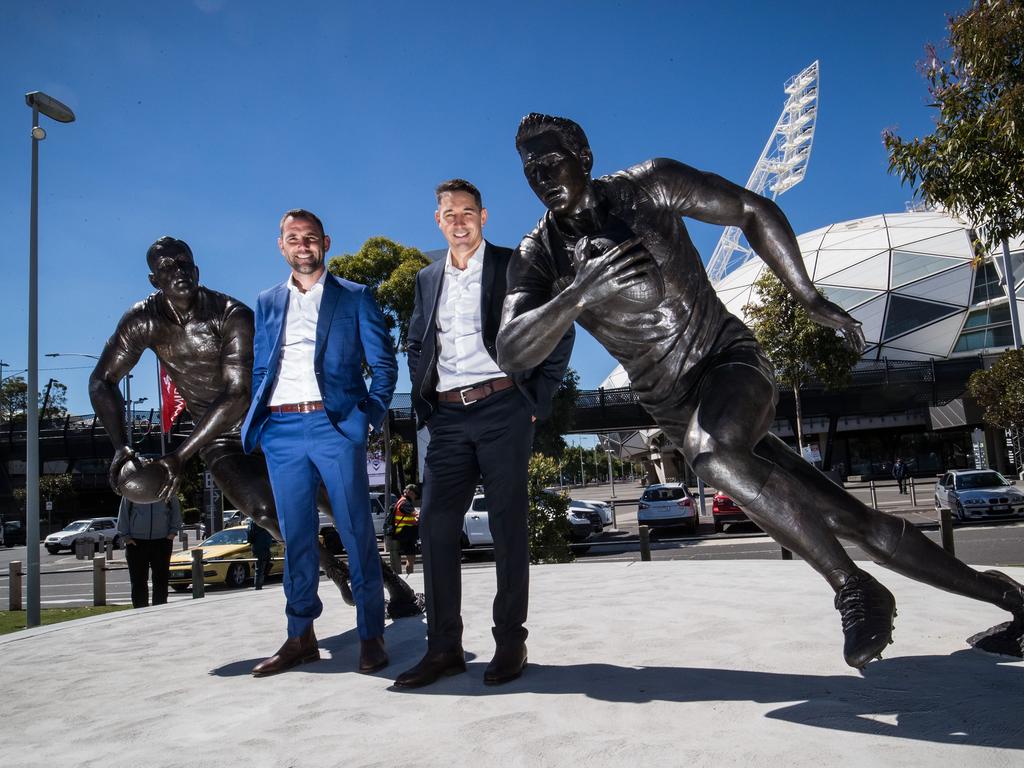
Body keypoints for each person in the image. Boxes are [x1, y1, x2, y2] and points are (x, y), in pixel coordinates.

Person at [497, 113, 1024, 668]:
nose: (541, 177)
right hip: (676, 409)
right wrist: (579, 294)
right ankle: (1011, 601)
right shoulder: (541, 254)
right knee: (855, 523)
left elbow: (751, 209)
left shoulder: (649, 185)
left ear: (582, 153)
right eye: (530, 170)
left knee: (711, 452)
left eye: (551, 160)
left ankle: (853, 587)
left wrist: (806, 294)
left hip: (729, 364)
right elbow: (511, 350)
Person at [89, 236, 421, 621]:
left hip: (272, 421)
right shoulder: (142, 320)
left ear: (196, 269)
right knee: (264, 511)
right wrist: (120, 447)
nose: (178, 272)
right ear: (153, 279)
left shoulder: (231, 314)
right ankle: (336, 571)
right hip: (219, 439)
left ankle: (396, 588)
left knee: (338, 508)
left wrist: (179, 457)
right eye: (167, 267)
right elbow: (101, 381)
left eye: (184, 263)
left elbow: (238, 395)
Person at [394, 179, 573, 689]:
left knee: (507, 529)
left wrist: (534, 399)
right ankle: (444, 648)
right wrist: (425, 400)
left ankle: (509, 643)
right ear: (438, 220)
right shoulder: (428, 279)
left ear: (484, 216)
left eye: (467, 211)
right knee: (435, 527)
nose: (458, 220)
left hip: (503, 407)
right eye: (449, 213)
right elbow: (415, 341)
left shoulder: (513, 265)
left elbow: (559, 326)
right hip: (447, 418)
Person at [242, 209, 398, 677]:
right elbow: (260, 366)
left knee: (355, 531)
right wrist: (263, 417)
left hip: (335, 428)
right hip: (281, 432)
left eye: (310, 238)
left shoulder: (355, 297)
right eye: (294, 239)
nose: (303, 246)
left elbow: (384, 367)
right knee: (297, 538)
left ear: (325, 243)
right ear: (281, 246)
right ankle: (301, 636)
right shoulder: (267, 301)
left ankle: (371, 633)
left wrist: (366, 417)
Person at [116, 494, 182, 608]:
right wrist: (126, 537)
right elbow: (124, 512)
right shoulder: (133, 488)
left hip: (162, 541)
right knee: (138, 582)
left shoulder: (166, 487)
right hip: (136, 542)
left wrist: (172, 533)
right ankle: (140, 614)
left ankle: (160, 612)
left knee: (161, 581)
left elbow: (175, 510)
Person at [391, 484, 420, 575]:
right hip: (405, 535)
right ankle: (409, 574)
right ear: (410, 492)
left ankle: (409, 573)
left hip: (405, 534)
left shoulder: (401, 501)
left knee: (411, 558)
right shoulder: (405, 503)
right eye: (415, 494)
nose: (415, 497)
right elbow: (416, 514)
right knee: (411, 558)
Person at [248, 516, 275, 589]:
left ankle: (258, 584)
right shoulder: (267, 520)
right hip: (264, 545)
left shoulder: (254, 521)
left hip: (259, 546)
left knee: (260, 565)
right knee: (262, 565)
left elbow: (250, 533)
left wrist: (251, 542)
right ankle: (258, 585)